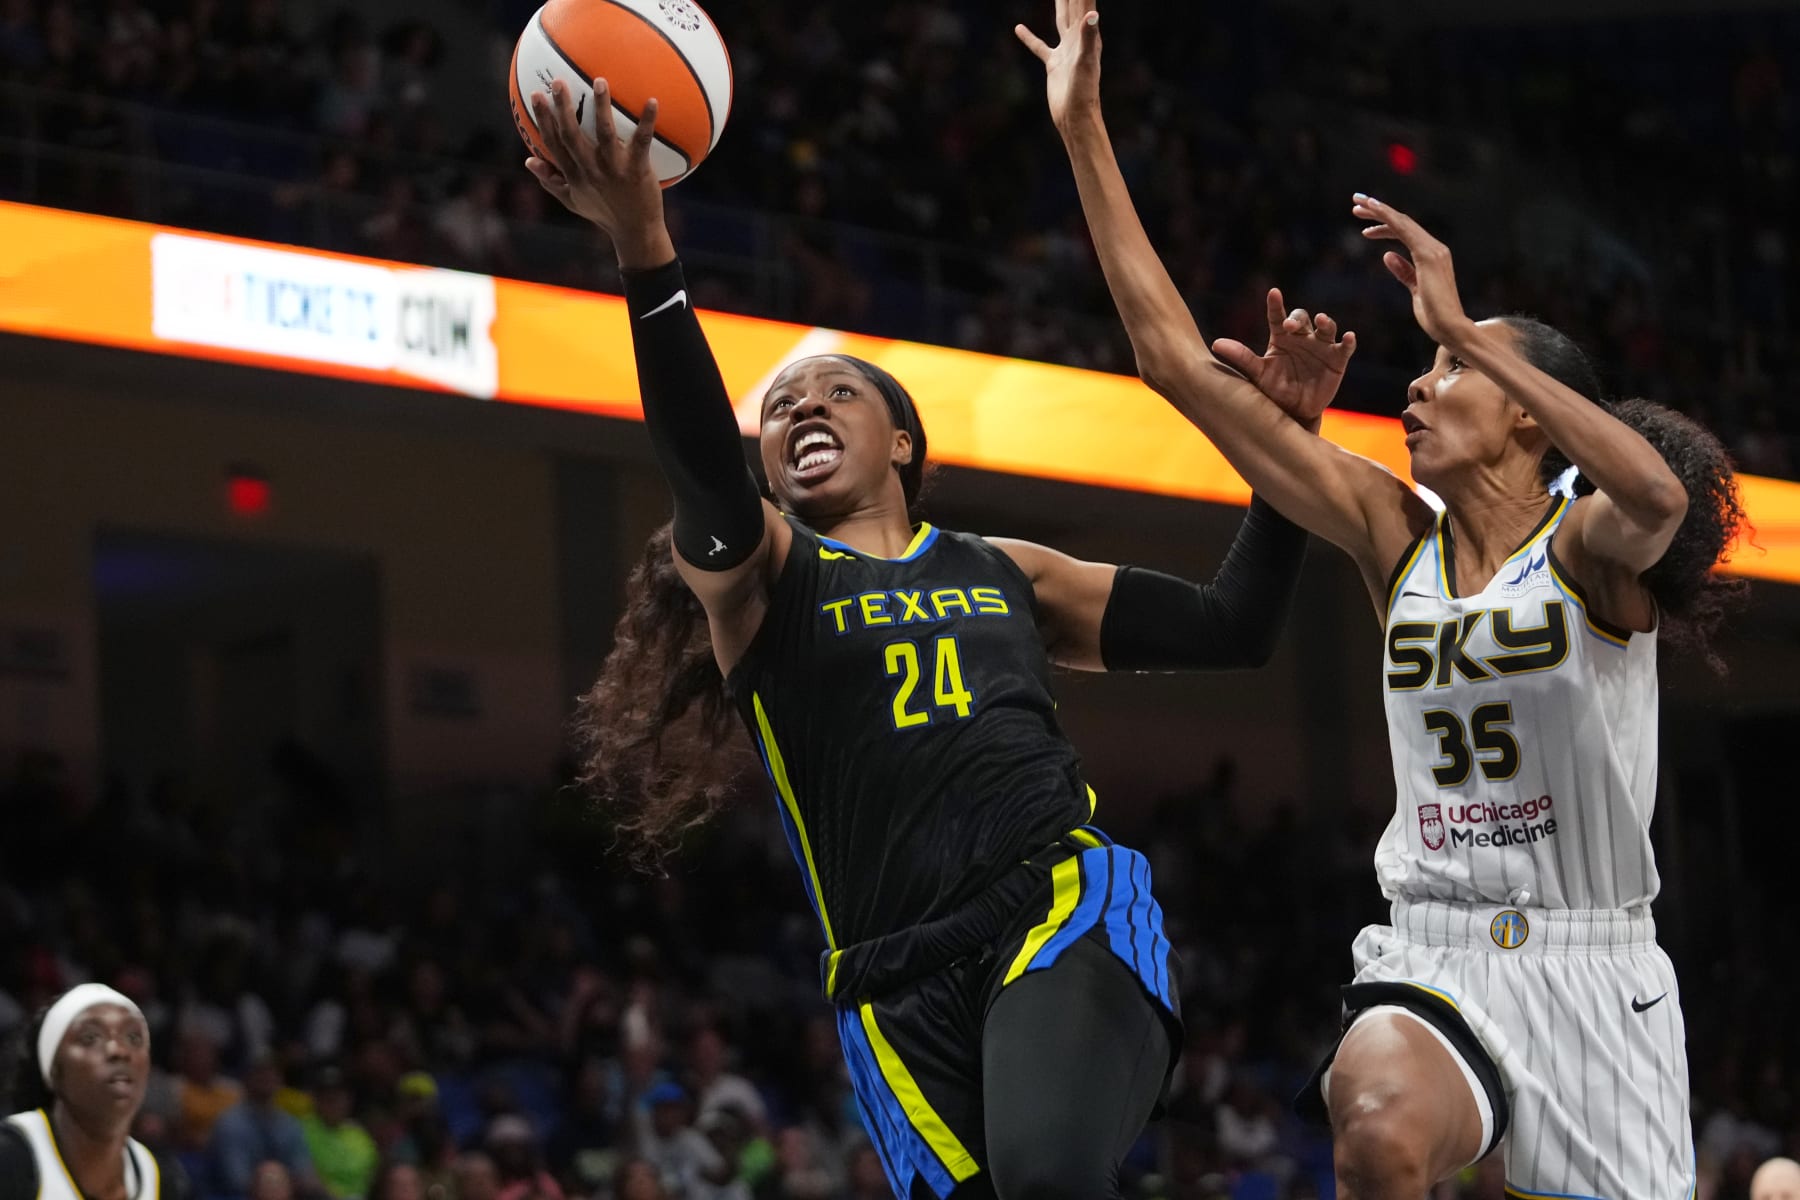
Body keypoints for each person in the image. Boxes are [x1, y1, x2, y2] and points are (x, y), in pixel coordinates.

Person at [523, 68, 1328, 1199]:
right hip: (891, 984)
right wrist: (643, 257)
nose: (800, 409)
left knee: (1049, 1180)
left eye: (834, 394)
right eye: (782, 408)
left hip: (1056, 909)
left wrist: (1284, 459)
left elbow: (1232, 627)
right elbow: (701, 465)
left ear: (902, 442)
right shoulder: (764, 582)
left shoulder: (1006, 570)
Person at [1021, 4, 1746, 1197]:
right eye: (1435, 358)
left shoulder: (1592, 549)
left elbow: (1660, 496)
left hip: (1594, 967)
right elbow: (1168, 361)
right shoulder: (1389, 532)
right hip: (1435, 949)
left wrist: (1471, 325)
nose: (1420, 377)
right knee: (1374, 1122)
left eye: (1451, 370)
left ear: (1525, 410)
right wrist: (1086, 129)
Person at [0, 983, 194, 1199]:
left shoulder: (164, 1180)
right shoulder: (11, 1159)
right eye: (90, 1038)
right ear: (53, 1069)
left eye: (133, 1038)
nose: (119, 1050)